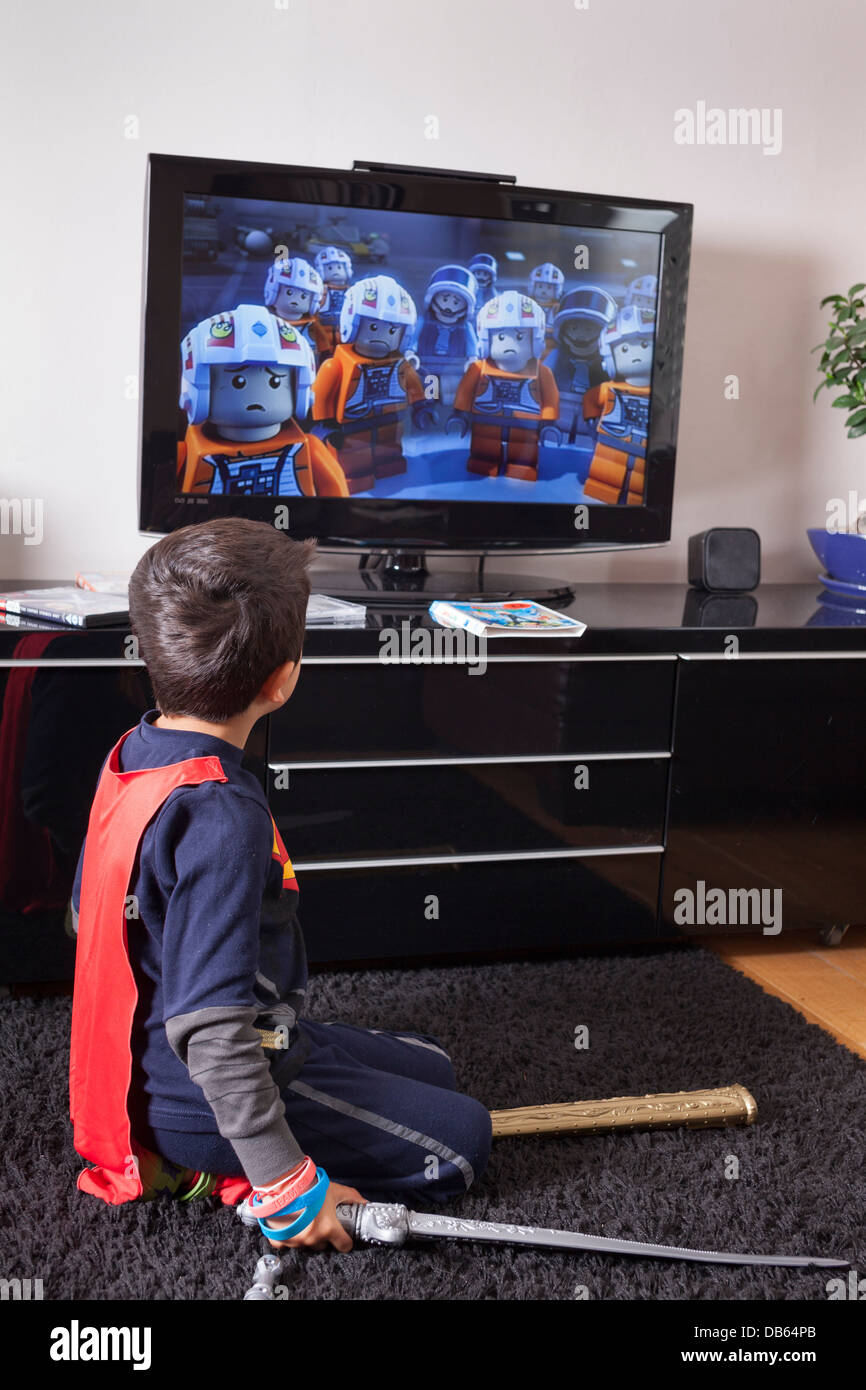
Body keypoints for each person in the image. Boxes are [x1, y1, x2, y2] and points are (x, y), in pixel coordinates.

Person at [68, 518, 491, 1251]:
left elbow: (87, 916)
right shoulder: (220, 816)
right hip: (202, 1086)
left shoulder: (135, 750)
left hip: (223, 1035)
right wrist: (286, 1183)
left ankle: (269, 1086)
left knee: (436, 1066)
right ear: (283, 680)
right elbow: (210, 1034)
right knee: (462, 1143)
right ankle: (195, 1164)